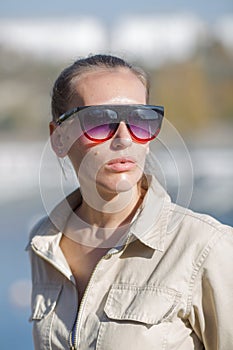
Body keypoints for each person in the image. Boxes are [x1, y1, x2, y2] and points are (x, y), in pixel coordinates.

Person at [27, 54, 233, 350]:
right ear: (59, 138)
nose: (124, 139)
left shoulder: (205, 246)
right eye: (98, 121)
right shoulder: (44, 243)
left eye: (140, 119)